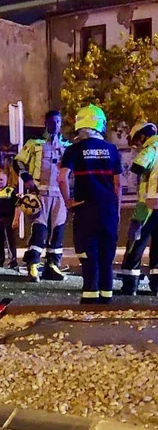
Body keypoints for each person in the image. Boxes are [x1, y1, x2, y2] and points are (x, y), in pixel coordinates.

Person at [58, 104, 122, 305]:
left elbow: (61, 178)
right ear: (100, 124)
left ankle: (89, 298)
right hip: (108, 209)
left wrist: (69, 202)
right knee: (106, 257)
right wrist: (116, 210)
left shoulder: (74, 150)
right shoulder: (112, 150)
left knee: (88, 254)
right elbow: (118, 184)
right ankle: (106, 299)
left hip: (85, 209)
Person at [15, 110, 71, 282]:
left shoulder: (67, 146)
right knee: (40, 231)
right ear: (46, 122)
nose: (56, 125)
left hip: (60, 196)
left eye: (59, 122)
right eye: (53, 121)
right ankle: (33, 265)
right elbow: (18, 162)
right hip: (39, 195)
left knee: (58, 231)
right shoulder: (34, 143)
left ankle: (52, 266)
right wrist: (27, 180)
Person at [120, 121, 158, 295]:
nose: (136, 145)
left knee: (135, 244)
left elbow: (137, 167)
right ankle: (156, 285)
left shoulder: (151, 148)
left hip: (147, 206)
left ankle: (130, 285)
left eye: (137, 140)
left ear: (143, 135)